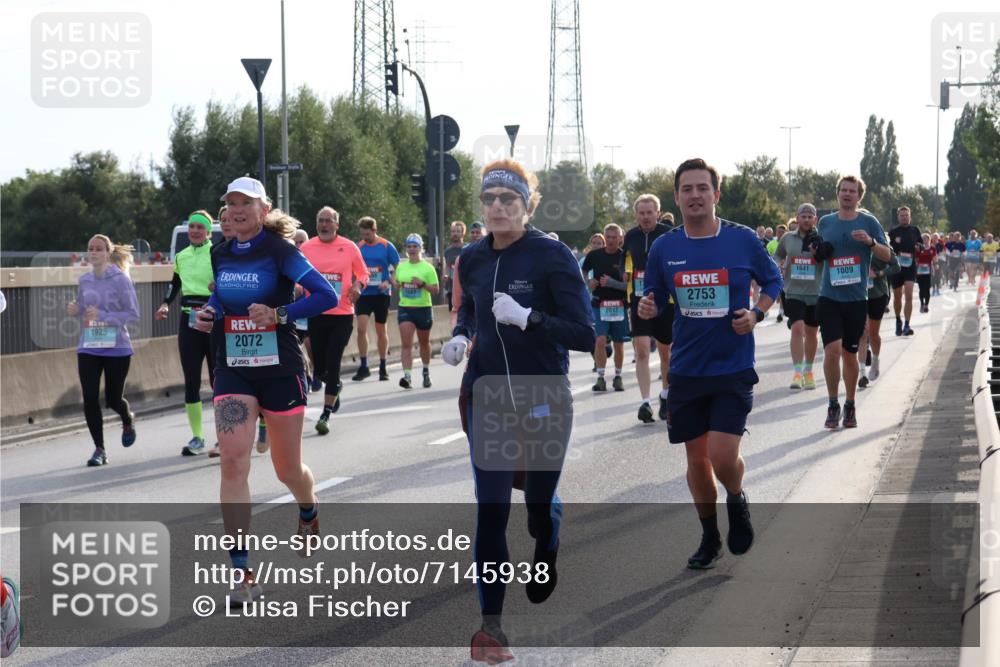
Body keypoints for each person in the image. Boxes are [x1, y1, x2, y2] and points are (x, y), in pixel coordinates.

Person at [441, 159, 594, 663]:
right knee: (491, 511)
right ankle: (491, 628)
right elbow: (470, 306)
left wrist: (529, 318)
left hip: (544, 395)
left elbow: (585, 334)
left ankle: (548, 537)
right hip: (487, 396)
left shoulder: (552, 256)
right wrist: (462, 334)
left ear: (528, 205)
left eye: (509, 199)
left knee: (537, 508)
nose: (498, 207)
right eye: (489, 199)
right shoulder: (472, 258)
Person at [194, 176, 338, 605]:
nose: (236, 210)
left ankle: (308, 507)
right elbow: (223, 299)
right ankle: (241, 572)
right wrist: (209, 311)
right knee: (232, 463)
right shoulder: (220, 252)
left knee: (286, 469)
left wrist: (279, 314)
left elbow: (326, 295)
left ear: (263, 209)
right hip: (233, 369)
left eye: (246, 203)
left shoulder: (281, 251)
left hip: (281, 370)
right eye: (231, 204)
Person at [639, 158, 781, 571]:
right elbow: (655, 295)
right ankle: (710, 536)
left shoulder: (742, 239)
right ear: (677, 197)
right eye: (687, 189)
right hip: (686, 369)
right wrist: (649, 305)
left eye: (703, 188)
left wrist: (756, 314)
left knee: (721, 455)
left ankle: (736, 497)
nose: (695, 195)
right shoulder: (665, 248)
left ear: (716, 194)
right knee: (697, 461)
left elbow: (773, 281)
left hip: (732, 367)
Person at [812, 176, 890, 429]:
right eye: (843, 190)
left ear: (859, 196)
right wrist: (817, 252)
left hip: (856, 299)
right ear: (838, 194)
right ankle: (833, 403)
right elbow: (816, 255)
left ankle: (850, 403)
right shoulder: (825, 222)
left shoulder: (869, 222)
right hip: (829, 297)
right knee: (832, 351)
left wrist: (870, 242)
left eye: (852, 191)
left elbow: (888, 255)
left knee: (850, 354)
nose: (847, 194)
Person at [68, 235, 140, 467]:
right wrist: (76, 309)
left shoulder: (120, 279)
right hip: (89, 346)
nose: (94, 252)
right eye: (90, 248)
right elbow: (84, 307)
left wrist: (104, 316)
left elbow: (133, 314)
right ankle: (99, 449)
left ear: (108, 253)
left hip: (117, 348)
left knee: (112, 399)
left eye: (99, 249)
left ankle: (126, 417)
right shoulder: (85, 279)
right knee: (89, 397)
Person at [300, 207, 369, 435]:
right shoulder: (306, 247)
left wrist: (358, 286)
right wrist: (297, 288)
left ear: (337, 225)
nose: (324, 225)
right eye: (320, 220)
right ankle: (334, 386)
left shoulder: (349, 247)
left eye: (328, 221)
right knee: (320, 368)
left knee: (333, 361)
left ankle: (326, 414)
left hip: (342, 314)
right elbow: (297, 275)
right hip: (316, 313)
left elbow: (363, 273)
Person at [156, 211, 216, 456]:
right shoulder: (181, 256)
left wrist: (218, 289)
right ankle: (197, 437)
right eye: (192, 227)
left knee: (219, 380)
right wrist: (165, 304)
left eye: (200, 227)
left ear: (208, 231)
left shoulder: (217, 253)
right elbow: (175, 284)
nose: (194, 231)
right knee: (191, 380)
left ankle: (224, 435)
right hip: (188, 320)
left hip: (213, 318)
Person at [623, 193, 673, 423]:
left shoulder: (668, 234)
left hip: (665, 301)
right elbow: (625, 263)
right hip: (639, 300)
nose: (645, 217)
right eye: (641, 213)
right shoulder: (631, 236)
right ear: (636, 215)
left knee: (666, 352)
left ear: (657, 213)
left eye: (649, 213)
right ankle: (645, 402)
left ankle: (666, 395)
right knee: (642, 351)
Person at [775, 204, 823, 390]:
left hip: (815, 292)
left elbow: (828, 258)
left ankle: (808, 371)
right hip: (793, 291)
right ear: (797, 218)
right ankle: (796, 372)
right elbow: (777, 255)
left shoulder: (821, 238)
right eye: (803, 216)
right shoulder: (787, 238)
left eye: (810, 217)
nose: (806, 220)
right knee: (797, 328)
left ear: (815, 219)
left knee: (811, 333)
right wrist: (778, 265)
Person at [582, 223, 630, 392]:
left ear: (620, 239)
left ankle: (618, 376)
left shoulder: (625, 257)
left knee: (618, 343)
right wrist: (589, 282)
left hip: (619, 304)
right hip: (599, 303)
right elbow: (583, 271)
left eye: (614, 237)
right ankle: (601, 377)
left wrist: (612, 283)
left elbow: (628, 286)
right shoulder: (594, 255)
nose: (610, 240)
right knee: (600, 340)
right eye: (608, 237)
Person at [354, 216, 400, 382]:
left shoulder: (386, 246)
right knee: (361, 328)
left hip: (381, 294)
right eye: (362, 234)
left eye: (367, 234)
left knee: (381, 330)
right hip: (365, 293)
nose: (365, 237)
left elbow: (398, 267)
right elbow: (354, 268)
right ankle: (364, 366)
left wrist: (388, 281)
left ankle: (382, 365)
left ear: (374, 230)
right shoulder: (359, 247)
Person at [394, 234, 439, 389]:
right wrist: (397, 284)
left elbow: (436, 290)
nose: (412, 249)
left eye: (415, 246)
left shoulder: (428, 268)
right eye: (409, 247)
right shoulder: (402, 266)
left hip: (423, 308)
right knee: (406, 344)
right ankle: (407, 377)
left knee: (423, 342)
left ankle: (426, 371)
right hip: (405, 308)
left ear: (421, 248)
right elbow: (397, 283)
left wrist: (422, 284)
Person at [858, 249, 900, 388]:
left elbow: (896, 266)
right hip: (858, 295)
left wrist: (878, 273)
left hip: (877, 294)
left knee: (873, 334)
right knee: (863, 332)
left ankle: (875, 360)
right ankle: (862, 374)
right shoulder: (853, 244)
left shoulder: (880, 244)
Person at [888, 205, 921, 336]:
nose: (904, 217)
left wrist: (919, 247)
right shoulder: (893, 232)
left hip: (910, 266)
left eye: (906, 215)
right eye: (902, 215)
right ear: (898, 217)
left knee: (909, 295)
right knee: (897, 297)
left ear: (910, 217)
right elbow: (888, 249)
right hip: (896, 267)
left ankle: (907, 325)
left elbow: (920, 244)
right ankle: (898, 320)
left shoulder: (915, 230)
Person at [443, 220, 467, 310]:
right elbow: (447, 266)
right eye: (453, 231)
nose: (455, 234)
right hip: (452, 289)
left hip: (466, 289)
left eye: (458, 231)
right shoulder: (448, 251)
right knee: (453, 314)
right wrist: (445, 275)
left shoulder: (468, 249)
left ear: (463, 233)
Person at [915, 233, 936, 313]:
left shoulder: (932, 248)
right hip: (920, 271)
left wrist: (935, 265)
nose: (925, 240)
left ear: (929, 239)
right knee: (921, 288)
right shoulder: (919, 248)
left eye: (926, 238)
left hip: (929, 270)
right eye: (923, 239)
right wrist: (917, 266)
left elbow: (935, 258)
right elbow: (916, 258)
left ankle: (926, 305)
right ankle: (922, 304)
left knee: (927, 289)